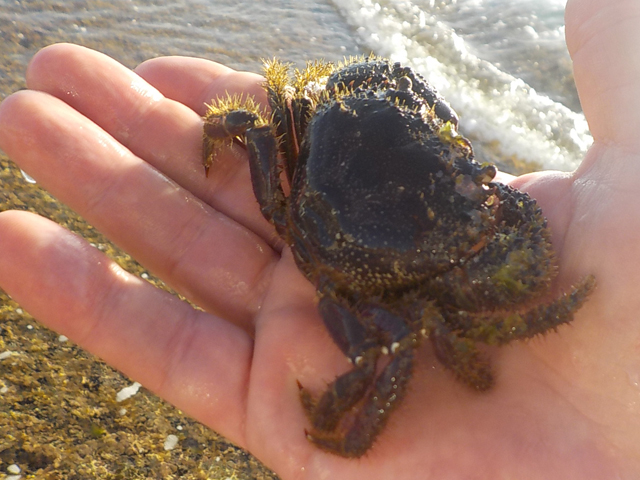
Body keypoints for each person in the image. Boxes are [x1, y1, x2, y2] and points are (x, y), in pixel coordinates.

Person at [0, 0, 639, 477]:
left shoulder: (326, 117)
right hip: (342, 258)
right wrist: (482, 188)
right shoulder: (448, 227)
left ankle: (336, 427)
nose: (471, 171)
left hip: (305, 219)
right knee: (414, 338)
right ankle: (336, 430)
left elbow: (276, 117)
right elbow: (469, 323)